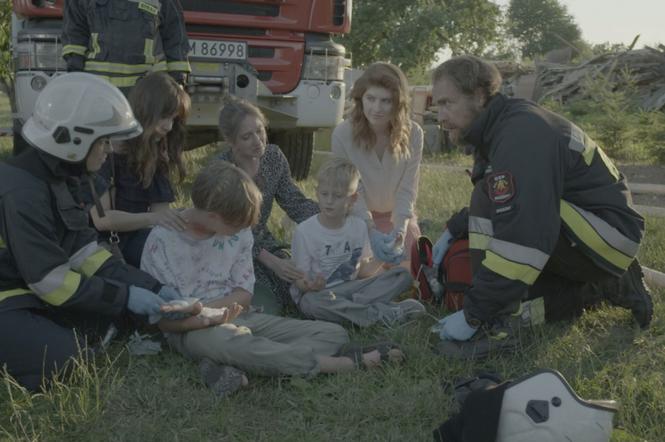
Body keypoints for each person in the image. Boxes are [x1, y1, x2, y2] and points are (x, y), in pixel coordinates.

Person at [428, 56, 652, 359]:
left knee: (487, 197)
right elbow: (519, 208)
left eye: (446, 103)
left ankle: (497, 325)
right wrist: (457, 227)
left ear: (478, 96)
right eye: (436, 105)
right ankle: (602, 287)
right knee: (526, 300)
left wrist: (475, 313)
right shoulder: (502, 128)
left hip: (610, 236)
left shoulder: (521, 134)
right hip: (583, 232)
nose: (440, 116)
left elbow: (522, 234)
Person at [140, 160, 405, 387]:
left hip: (239, 315)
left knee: (333, 334)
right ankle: (341, 363)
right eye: (236, 226)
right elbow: (166, 322)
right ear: (213, 217)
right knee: (227, 341)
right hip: (191, 330)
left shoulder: (239, 233)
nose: (243, 231)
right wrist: (207, 318)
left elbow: (243, 294)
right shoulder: (163, 242)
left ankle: (238, 363)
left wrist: (220, 313)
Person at [0, 73, 184, 391]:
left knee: (112, 320)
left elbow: (87, 254)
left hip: (27, 289)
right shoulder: (23, 192)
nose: (108, 150)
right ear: (74, 141)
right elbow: (50, 282)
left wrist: (153, 287)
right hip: (14, 294)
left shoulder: (60, 176)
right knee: (68, 358)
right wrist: (125, 296)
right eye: (103, 142)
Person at [290, 158, 425, 326]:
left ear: (353, 199)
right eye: (324, 194)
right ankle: (383, 314)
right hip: (322, 294)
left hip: (354, 288)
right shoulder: (305, 232)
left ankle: (351, 309)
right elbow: (299, 282)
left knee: (402, 275)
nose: (329, 200)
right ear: (317, 193)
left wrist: (384, 256)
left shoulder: (358, 226)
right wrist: (310, 286)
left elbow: (362, 272)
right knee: (309, 303)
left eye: (338, 196)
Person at [216, 98, 319, 313]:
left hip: (264, 241)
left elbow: (294, 202)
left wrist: (331, 216)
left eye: (260, 130)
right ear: (231, 141)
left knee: (301, 290)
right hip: (228, 250)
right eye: (247, 137)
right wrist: (271, 261)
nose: (258, 141)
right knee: (265, 307)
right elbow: (226, 231)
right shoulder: (222, 170)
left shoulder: (273, 157)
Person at [81, 72, 191, 267]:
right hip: (100, 247)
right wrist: (154, 218)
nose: (169, 126)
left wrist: (186, 218)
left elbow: (162, 216)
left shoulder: (153, 152)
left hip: (139, 241)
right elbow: (102, 219)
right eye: (164, 117)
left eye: (173, 119)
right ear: (145, 111)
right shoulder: (106, 150)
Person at [332, 62, 423, 265]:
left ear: (398, 103)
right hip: (357, 219)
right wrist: (370, 229)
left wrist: (400, 230)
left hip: (398, 217)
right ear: (360, 98)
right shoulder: (342, 134)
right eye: (370, 99)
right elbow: (353, 191)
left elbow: (407, 189)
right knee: (365, 276)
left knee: (414, 271)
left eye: (386, 101)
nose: (377, 108)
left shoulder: (414, 133)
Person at [62, 0, 191, 92]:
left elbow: (175, 39)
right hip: (97, 91)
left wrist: (178, 83)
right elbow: (74, 35)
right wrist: (75, 77)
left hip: (147, 94)